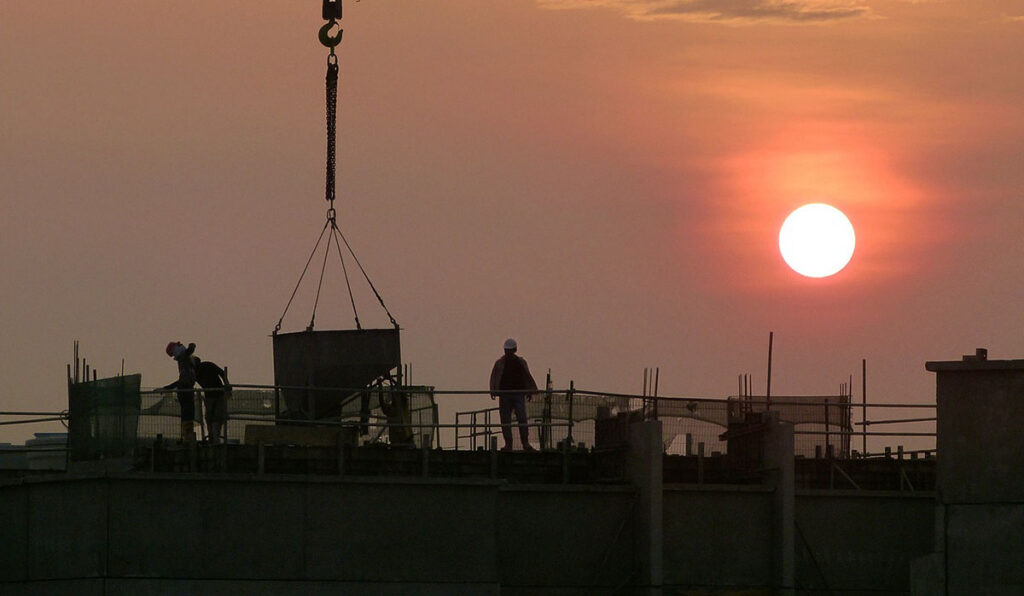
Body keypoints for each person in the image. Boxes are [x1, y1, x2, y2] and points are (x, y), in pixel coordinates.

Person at [489, 338, 538, 451]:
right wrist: (493, 390)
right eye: (507, 350)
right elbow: (494, 377)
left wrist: (529, 391)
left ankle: (525, 443)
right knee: (506, 420)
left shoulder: (521, 362)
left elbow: (526, 376)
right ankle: (508, 444)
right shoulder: (500, 363)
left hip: (518, 394)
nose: (508, 352)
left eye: (509, 350)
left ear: (514, 350)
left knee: (522, 418)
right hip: (505, 394)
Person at [163, 341, 196, 443]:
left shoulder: (184, 359)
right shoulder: (184, 358)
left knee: (186, 414)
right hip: (185, 390)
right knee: (187, 414)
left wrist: (168, 387)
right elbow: (190, 349)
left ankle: (186, 436)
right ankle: (186, 436)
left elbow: (190, 349)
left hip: (184, 390)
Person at [193, 356, 231, 445]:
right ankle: (213, 438)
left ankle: (214, 438)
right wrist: (227, 384)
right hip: (212, 395)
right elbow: (221, 373)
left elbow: (221, 372)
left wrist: (227, 385)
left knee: (215, 418)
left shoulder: (204, 367)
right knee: (212, 418)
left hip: (217, 394)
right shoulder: (197, 371)